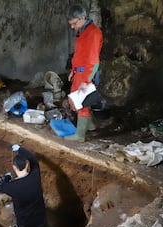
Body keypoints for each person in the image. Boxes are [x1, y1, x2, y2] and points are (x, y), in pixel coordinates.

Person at [65, 4, 103, 142]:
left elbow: (93, 61)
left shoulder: (93, 33)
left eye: (74, 23)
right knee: (75, 101)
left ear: (82, 18)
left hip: (86, 74)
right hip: (79, 72)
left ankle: (80, 135)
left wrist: (86, 81)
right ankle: (90, 126)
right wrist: (73, 71)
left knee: (79, 103)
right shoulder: (82, 31)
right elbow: (79, 55)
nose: (72, 27)